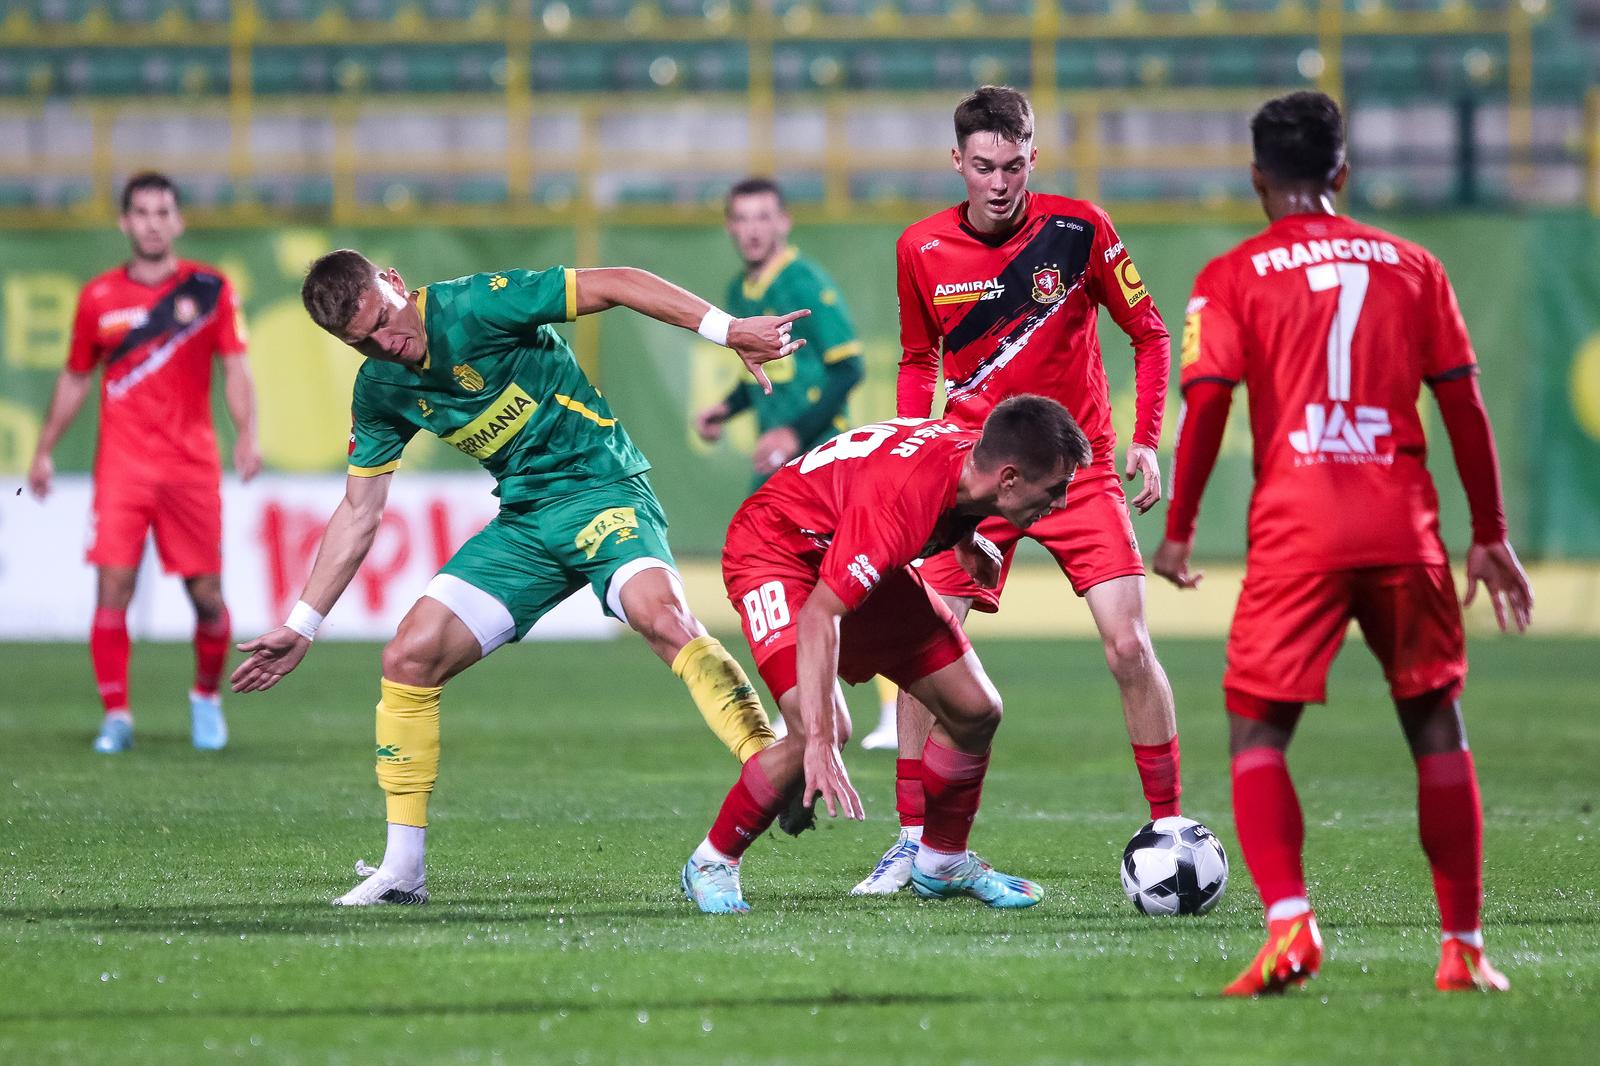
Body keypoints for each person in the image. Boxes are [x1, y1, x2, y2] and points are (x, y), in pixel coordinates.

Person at [230, 250, 804, 906]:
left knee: (663, 618)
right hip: (527, 524)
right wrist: (304, 623)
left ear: (394, 282)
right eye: (363, 340)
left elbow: (616, 281)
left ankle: (770, 768)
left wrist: (726, 329)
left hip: (602, 490)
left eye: (385, 321)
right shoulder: (381, 388)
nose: (388, 343)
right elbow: (360, 511)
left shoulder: (478, 304)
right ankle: (402, 872)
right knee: (408, 655)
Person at [1153, 91, 1533, 995]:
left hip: (1299, 528)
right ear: (1343, 174)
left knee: (1257, 727)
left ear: (1257, 179)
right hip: (1404, 525)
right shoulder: (1416, 265)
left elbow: (1206, 405)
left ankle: (1290, 928)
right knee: (1435, 722)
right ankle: (1464, 948)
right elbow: (1463, 405)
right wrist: (1490, 535)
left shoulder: (1233, 274)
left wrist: (1177, 534)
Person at [853, 85, 1183, 895]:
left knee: (1129, 646)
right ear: (957, 162)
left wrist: (1145, 438)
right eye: (983, 166)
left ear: (1033, 154)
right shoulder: (920, 249)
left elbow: (1148, 332)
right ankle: (911, 842)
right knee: (923, 649)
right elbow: (916, 359)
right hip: (973, 479)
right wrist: (911, 446)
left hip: (1081, 474)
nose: (1000, 182)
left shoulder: (1081, 230)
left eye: (1014, 162)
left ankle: (1171, 826)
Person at [681, 396, 1094, 914]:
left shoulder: (972, 461)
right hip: (778, 552)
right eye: (1054, 490)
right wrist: (819, 742)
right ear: (1009, 479)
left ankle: (941, 860)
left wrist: (967, 541)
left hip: (845, 546)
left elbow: (943, 493)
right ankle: (713, 859)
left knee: (975, 708)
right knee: (822, 727)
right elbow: (819, 614)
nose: (1058, 504)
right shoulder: (901, 502)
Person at [27, 171, 260, 754]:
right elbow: (77, 377)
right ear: (124, 222)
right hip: (123, 469)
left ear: (177, 221)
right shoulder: (98, 299)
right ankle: (117, 716)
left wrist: (248, 434)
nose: (152, 223)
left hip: (191, 467)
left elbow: (235, 366)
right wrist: (45, 450)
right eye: (141, 212)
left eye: (163, 212)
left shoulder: (210, 289)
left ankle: (205, 697)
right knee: (113, 587)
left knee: (207, 596)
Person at [692, 177, 898, 749]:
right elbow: (760, 374)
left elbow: (848, 366)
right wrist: (727, 409)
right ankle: (806, 703)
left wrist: (792, 430)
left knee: (857, 587)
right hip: (781, 470)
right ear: (731, 227)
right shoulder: (743, 286)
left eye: (763, 217)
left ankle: (895, 709)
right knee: (790, 591)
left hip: (820, 464)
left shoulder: (803, 281)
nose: (753, 228)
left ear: (784, 222)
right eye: (741, 218)